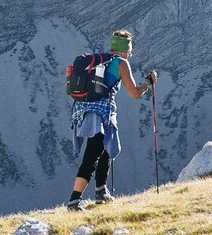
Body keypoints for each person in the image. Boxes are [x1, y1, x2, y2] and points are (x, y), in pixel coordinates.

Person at [67, 30, 156, 211]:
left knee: (106, 148)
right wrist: (149, 82)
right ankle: (74, 201)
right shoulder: (121, 63)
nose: (129, 55)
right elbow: (135, 93)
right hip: (101, 114)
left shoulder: (101, 60)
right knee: (92, 154)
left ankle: (101, 192)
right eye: (129, 51)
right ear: (125, 50)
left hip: (83, 111)